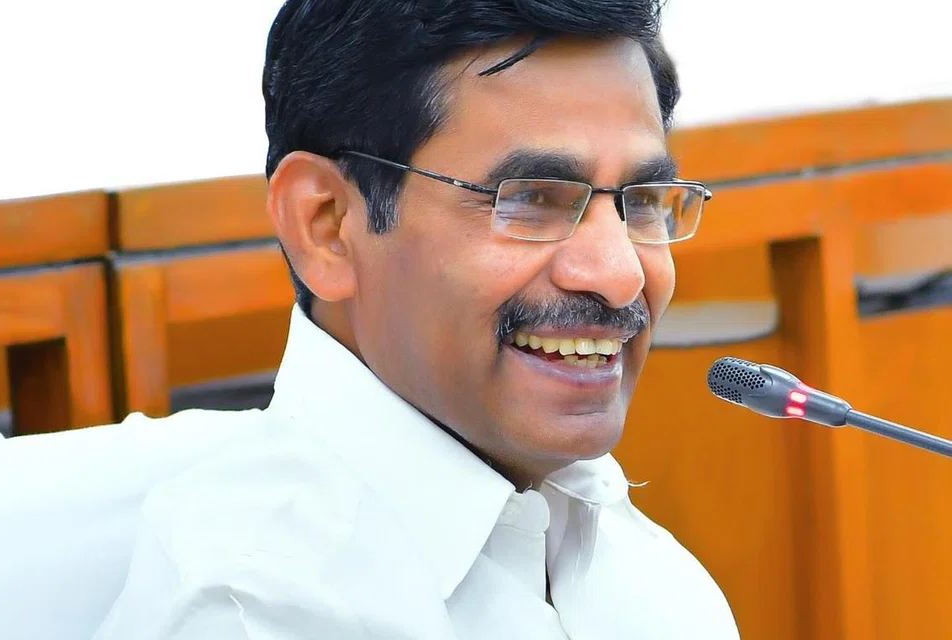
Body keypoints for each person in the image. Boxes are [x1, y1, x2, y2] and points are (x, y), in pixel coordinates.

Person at [93, 0, 739, 638]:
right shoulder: (254, 616)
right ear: (327, 227)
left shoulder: (631, 558)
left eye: (642, 203)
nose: (622, 273)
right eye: (531, 199)